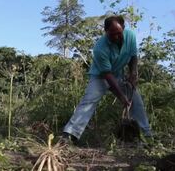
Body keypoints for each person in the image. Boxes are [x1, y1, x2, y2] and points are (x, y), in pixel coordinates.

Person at [61, 15, 152, 144]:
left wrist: (133, 73)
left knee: (136, 101)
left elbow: (133, 56)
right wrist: (121, 97)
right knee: (89, 100)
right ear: (106, 32)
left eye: (119, 34)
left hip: (119, 75)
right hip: (100, 76)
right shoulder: (100, 48)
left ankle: (147, 136)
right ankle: (69, 135)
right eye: (112, 34)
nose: (116, 37)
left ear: (124, 28)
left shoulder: (130, 36)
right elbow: (107, 75)